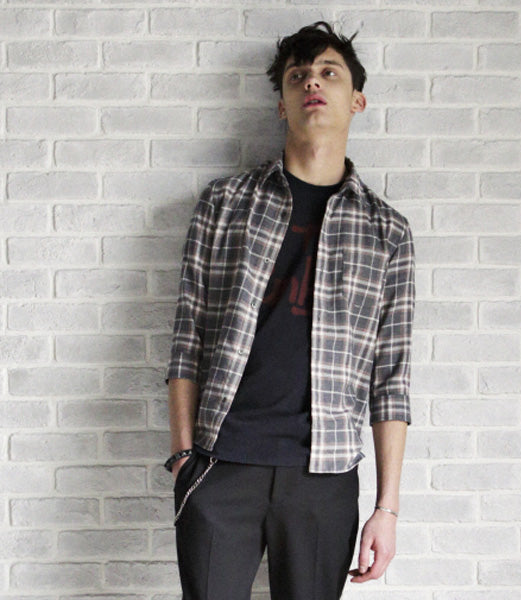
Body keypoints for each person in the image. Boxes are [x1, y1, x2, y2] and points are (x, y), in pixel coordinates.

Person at [164, 20, 415, 600]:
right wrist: (182, 455)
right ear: (281, 104)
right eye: (298, 76)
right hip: (221, 463)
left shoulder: (387, 232)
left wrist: (387, 509)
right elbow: (187, 339)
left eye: (329, 73)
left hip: (325, 477)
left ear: (357, 100)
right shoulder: (224, 204)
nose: (312, 84)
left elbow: (391, 380)